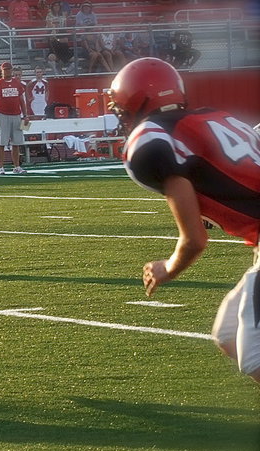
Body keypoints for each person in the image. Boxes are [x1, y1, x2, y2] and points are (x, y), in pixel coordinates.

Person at [107, 57, 260, 383]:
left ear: (135, 102)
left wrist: (168, 267)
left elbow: (194, 239)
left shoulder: (150, 139)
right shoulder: (215, 117)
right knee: (228, 332)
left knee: (255, 357)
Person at [0, 61, 29, 174]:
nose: (7, 71)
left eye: (9, 69)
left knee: (16, 143)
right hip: (3, 115)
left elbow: (22, 100)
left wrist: (25, 115)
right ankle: (1, 167)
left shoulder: (16, 83)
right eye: (5, 69)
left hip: (16, 115)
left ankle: (17, 166)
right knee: (1, 143)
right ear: (2, 71)